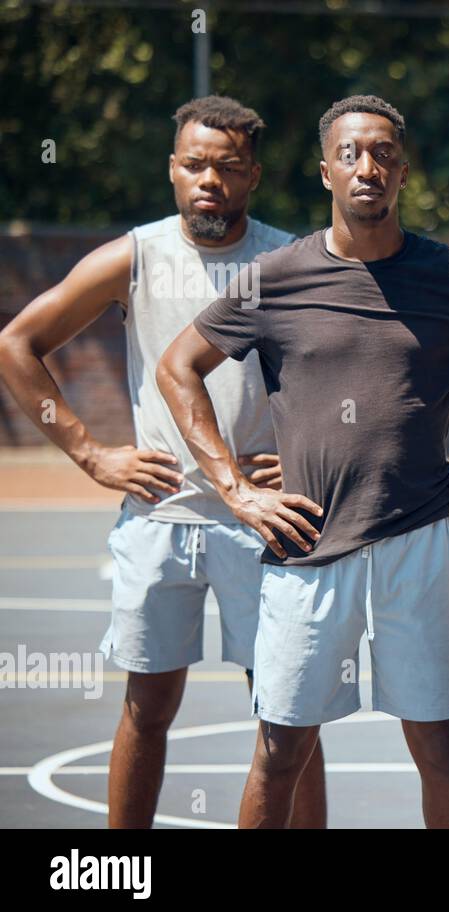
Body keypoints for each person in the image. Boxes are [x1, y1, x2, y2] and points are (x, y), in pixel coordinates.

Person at [157, 94, 449, 828]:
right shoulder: (276, 276)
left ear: (403, 172)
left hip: (421, 540)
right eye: (350, 153)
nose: (367, 167)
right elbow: (177, 367)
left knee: (441, 748)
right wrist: (235, 492)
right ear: (325, 171)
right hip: (305, 545)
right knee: (279, 750)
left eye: (383, 153)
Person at [0, 95, 326, 828]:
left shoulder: (287, 261)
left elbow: (341, 375)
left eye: (228, 168)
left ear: (255, 177)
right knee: (146, 709)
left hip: (266, 523)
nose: (210, 179)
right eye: (195, 165)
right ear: (172, 170)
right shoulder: (135, 256)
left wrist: (304, 457)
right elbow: (15, 344)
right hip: (161, 515)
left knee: (288, 715)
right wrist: (89, 452)